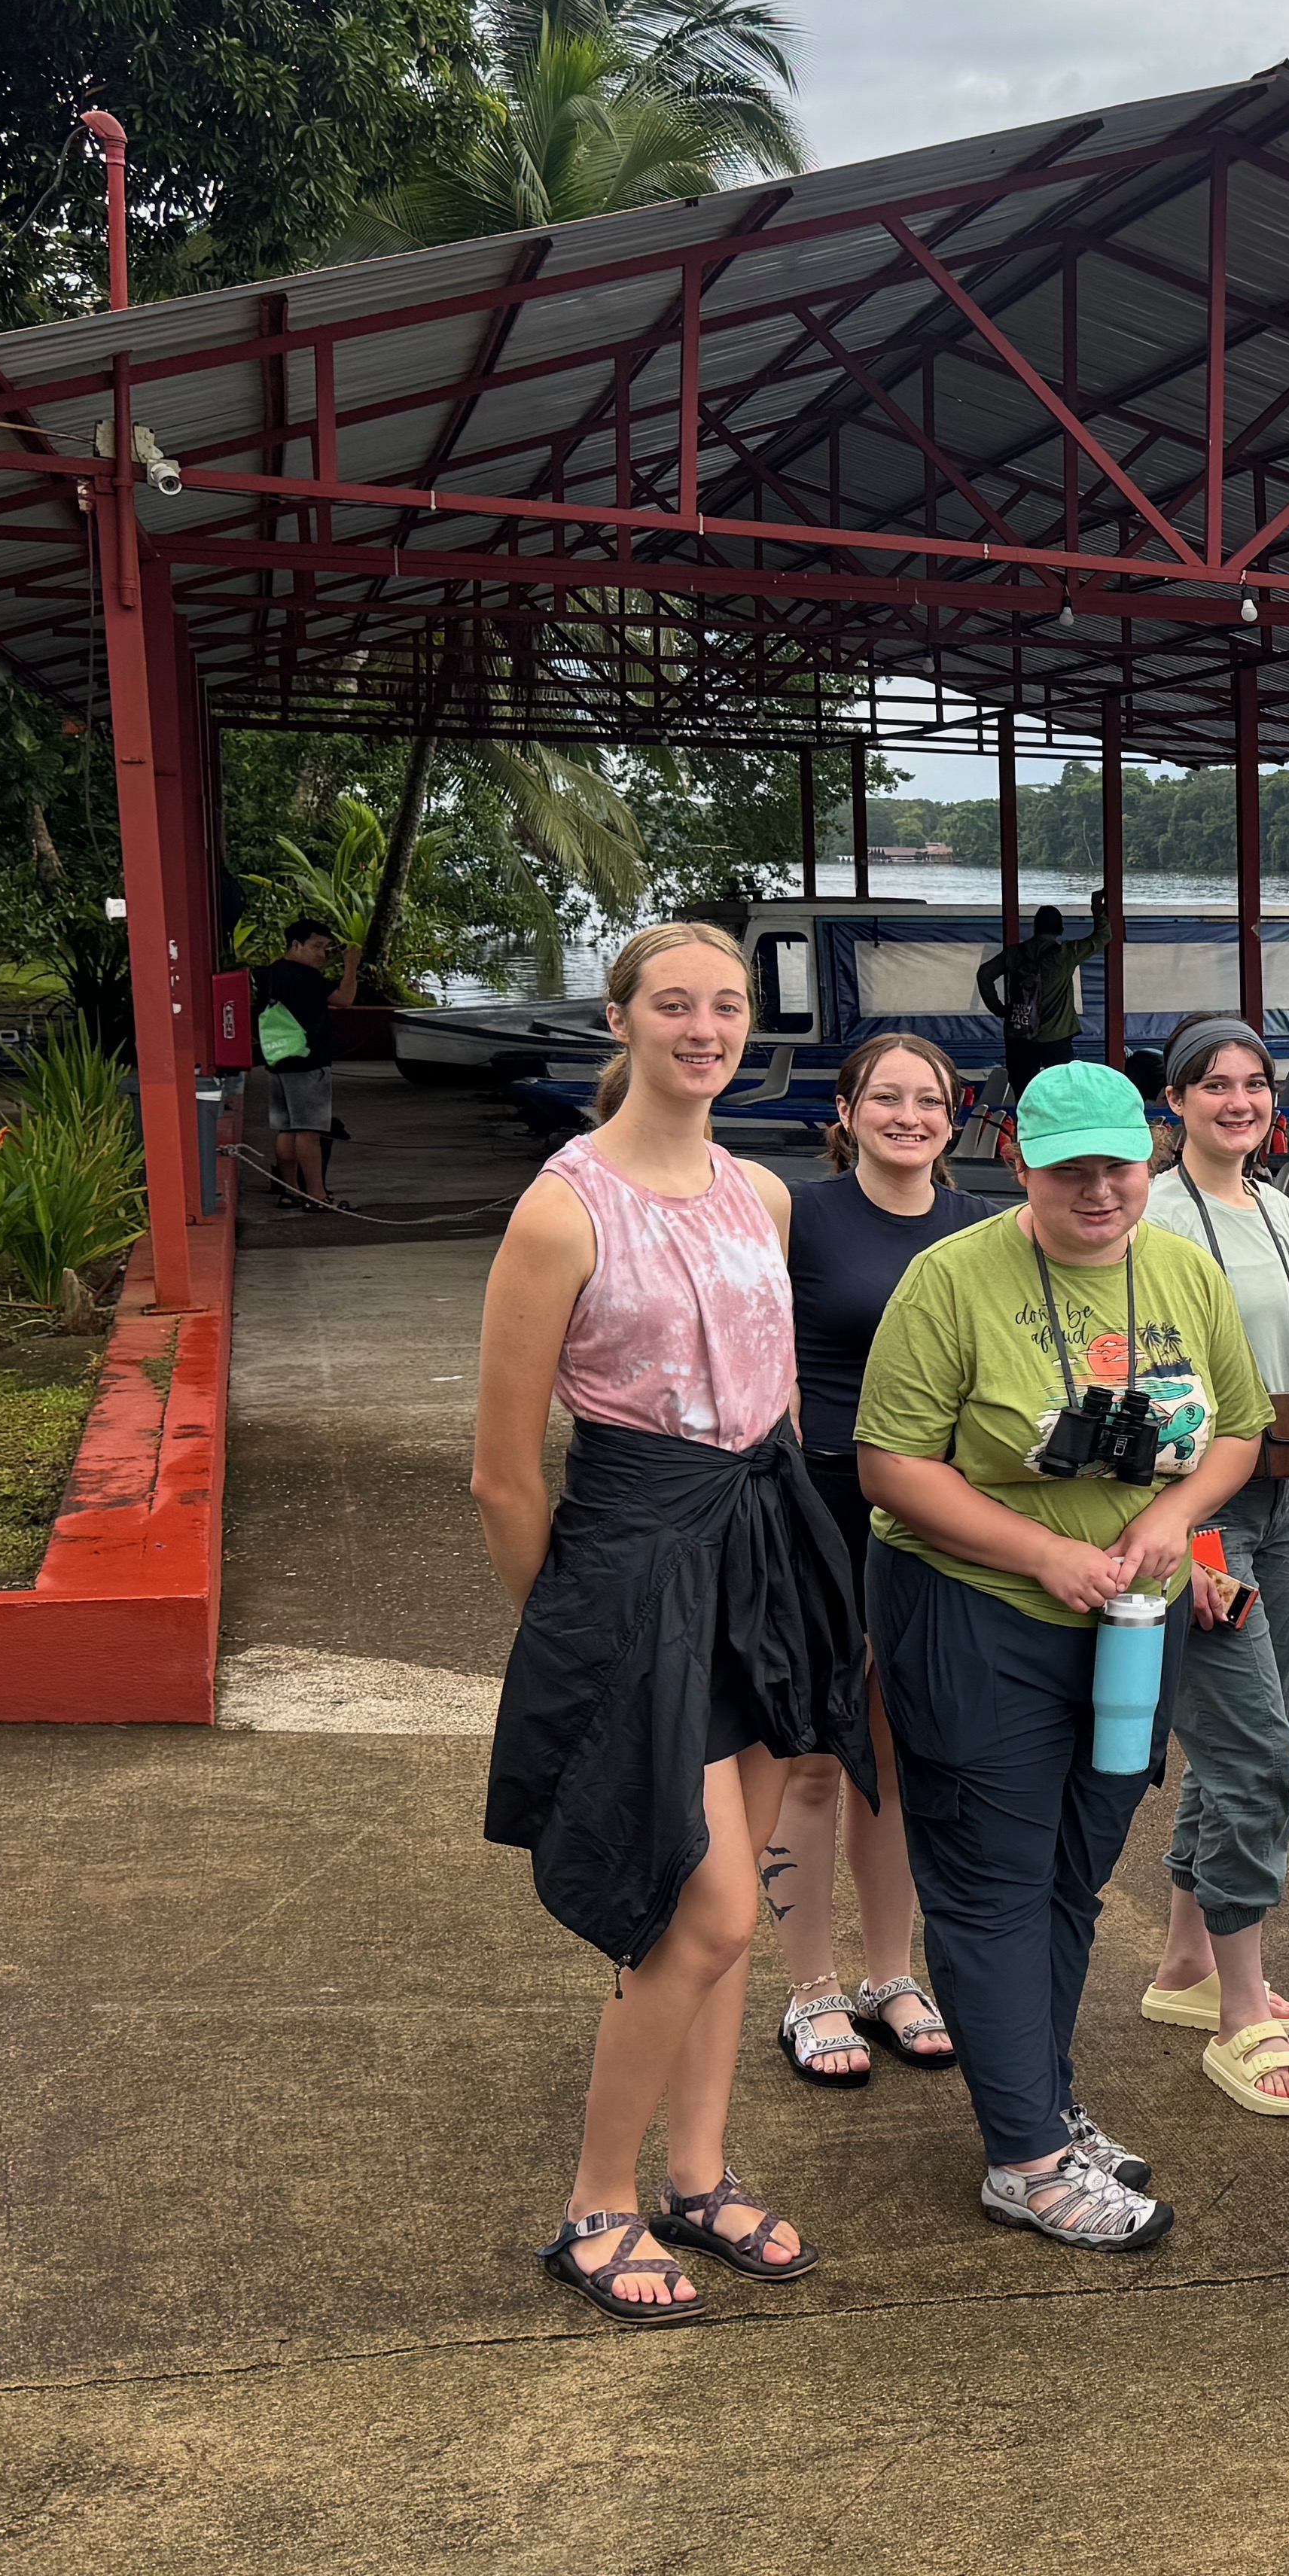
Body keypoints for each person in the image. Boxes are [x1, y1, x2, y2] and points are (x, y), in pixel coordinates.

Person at [477, 921, 865, 2324]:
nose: (704, 1027)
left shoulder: (760, 1192)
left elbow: (785, 1397)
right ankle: (596, 2201)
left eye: (726, 1006)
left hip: (762, 1549)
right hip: (633, 1568)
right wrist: (569, 1633)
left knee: (739, 1899)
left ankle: (699, 2171)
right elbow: (505, 1467)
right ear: (622, 1018)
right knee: (691, 1901)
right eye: (676, 1004)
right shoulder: (560, 1208)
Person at [852, 1059, 1265, 2252]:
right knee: (992, 1876)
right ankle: (1025, 2158)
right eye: (1071, 1166)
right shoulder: (951, 1280)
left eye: (1119, 1165)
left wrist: (1163, 1524)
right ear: (1020, 1163)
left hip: (1135, 1620)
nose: (1099, 1189)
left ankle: (1040, 2094)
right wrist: (1041, 1552)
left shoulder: (1178, 1265)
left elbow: (1235, 1431)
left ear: (1149, 1159)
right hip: (977, 1610)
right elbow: (891, 1466)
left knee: (1076, 1868)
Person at [766, 1032, 992, 2090]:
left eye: (930, 1101)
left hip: (936, 1505)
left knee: (903, 1746)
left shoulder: (977, 1226)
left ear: (955, 1117)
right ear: (847, 1112)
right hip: (821, 1497)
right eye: (887, 1098)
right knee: (815, 1753)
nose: (910, 1116)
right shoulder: (800, 1216)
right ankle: (810, 1983)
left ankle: (892, 1974)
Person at [1135, 1015, 1289, 2119]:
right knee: (1249, 1743)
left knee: (1247, 1732)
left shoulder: (1277, 1206)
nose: (1237, 1101)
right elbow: (1169, 1396)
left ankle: (1183, 1965)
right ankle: (1241, 2012)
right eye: (1212, 1085)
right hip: (1206, 1507)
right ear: (1175, 1103)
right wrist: (1198, 1544)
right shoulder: (1154, 1219)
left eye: (1254, 1084)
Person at [244, 915, 340, 1210]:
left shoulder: (270, 973)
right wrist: (351, 966)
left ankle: (290, 1190)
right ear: (296, 945)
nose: (321, 954)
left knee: (285, 1130)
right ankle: (317, 1195)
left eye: (325, 948)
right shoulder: (308, 977)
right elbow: (346, 998)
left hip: (278, 1057)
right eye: (316, 946)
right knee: (309, 1131)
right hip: (308, 1061)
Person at [974, 903, 1086, 1100]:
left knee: (1023, 1094)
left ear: (1036, 927)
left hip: (1019, 1031)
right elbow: (1104, 936)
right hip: (1056, 1036)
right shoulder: (1067, 954)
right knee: (1064, 1091)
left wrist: (999, 1009)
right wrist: (1099, 910)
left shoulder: (1014, 953)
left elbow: (984, 975)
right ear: (1060, 929)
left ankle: (1023, 1128)